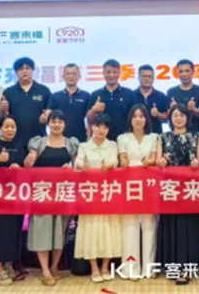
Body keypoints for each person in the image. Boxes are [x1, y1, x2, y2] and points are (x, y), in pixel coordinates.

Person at [24, 110, 80, 286]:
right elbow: (29, 162)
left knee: (59, 232)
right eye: (53, 121)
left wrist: (71, 167)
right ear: (48, 123)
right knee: (42, 231)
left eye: (60, 122)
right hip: (42, 194)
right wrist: (29, 160)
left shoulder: (71, 143)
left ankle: (55, 266)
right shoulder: (38, 142)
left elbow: (78, 165)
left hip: (63, 194)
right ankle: (45, 270)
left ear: (65, 124)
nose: (56, 125)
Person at [156, 104, 199, 285]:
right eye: (175, 115)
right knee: (172, 225)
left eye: (182, 115)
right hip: (170, 188)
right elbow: (158, 160)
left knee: (189, 226)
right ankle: (172, 266)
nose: (178, 118)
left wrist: (197, 163)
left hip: (191, 188)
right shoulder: (163, 137)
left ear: (187, 117)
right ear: (170, 118)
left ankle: (188, 267)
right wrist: (161, 161)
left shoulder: (196, 136)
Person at [74, 113, 122, 283]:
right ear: (92, 127)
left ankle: (105, 267)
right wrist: (82, 165)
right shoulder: (84, 146)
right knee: (90, 229)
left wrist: (109, 165)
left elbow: (114, 162)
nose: (101, 130)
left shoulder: (113, 145)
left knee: (109, 228)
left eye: (105, 127)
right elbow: (78, 162)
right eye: (98, 126)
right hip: (89, 194)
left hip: (108, 193)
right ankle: (94, 267)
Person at [0, 115, 26, 286]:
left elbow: (26, 168)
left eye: (12, 126)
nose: (10, 129)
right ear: (0, 128)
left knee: (14, 232)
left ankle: (9, 264)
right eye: (6, 126)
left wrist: (20, 167)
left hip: (16, 198)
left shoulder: (20, 146)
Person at [117, 105, 158, 280]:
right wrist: (126, 162)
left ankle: (149, 268)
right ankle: (130, 269)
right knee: (129, 225)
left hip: (149, 185)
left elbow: (154, 159)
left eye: (141, 116)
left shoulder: (154, 137)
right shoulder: (122, 138)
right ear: (130, 119)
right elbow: (123, 160)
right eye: (135, 116)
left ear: (146, 119)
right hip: (129, 185)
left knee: (149, 225)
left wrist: (149, 162)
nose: (138, 119)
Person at [2, 56, 51, 150]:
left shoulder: (44, 90)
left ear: (33, 70)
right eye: (21, 69)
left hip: (39, 140)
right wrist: (3, 110)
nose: (24, 71)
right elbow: (4, 117)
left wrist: (46, 117)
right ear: (16, 72)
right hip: (15, 141)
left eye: (28, 68)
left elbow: (50, 112)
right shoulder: (9, 92)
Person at [86, 59, 136, 141]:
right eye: (108, 72)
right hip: (102, 140)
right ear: (103, 73)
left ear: (119, 73)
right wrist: (94, 110)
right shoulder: (95, 94)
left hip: (125, 140)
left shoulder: (129, 93)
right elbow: (89, 121)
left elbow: (135, 118)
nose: (111, 75)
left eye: (114, 72)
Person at [44, 63, 90, 142]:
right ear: (63, 76)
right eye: (68, 74)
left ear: (79, 76)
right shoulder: (55, 96)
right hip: (58, 139)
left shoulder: (86, 95)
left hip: (80, 138)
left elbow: (90, 120)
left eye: (73, 74)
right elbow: (48, 117)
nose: (71, 76)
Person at [166, 59, 199, 136]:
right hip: (176, 135)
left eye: (187, 71)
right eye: (181, 71)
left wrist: (194, 110)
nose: (184, 74)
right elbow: (167, 117)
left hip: (196, 134)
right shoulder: (171, 92)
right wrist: (172, 109)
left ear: (193, 72)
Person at [134, 64, 169, 134]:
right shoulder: (131, 95)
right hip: (135, 135)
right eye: (144, 76)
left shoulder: (161, 96)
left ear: (153, 78)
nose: (147, 79)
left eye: (150, 76)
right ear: (138, 78)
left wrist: (158, 114)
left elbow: (166, 119)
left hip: (156, 135)